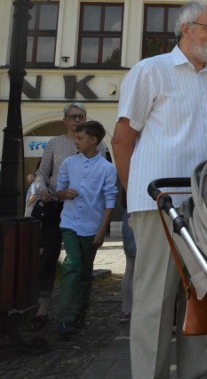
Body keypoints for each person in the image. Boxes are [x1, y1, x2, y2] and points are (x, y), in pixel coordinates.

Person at [112, 0, 207, 379]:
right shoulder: (151, 71)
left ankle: (195, 375)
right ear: (185, 29)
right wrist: (136, 198)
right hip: (158, 207)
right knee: (154, 303)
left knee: (200, 297)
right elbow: (122, 140)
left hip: (204, 210)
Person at [31, 102, 106, 327]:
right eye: (72, 117)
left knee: (79, 260)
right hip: (55, 205)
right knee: (50, 255)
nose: (77, 120)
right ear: (65, 120)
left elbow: (103, 177)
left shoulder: (98, 147)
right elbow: (42, 173)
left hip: (83, 209)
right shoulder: (55, 143)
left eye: (80, 116)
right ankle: (43, 308)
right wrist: (42, 188)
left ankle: (76, 308)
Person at [54, 120, 118, 336]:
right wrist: (63, 194)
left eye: (80, 138)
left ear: (93, 140)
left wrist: (102, 231)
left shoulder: (107, 168)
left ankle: (79, 312)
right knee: (72, 266)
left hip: (92, 226)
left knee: (84, 271)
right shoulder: (68, 164)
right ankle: (66, 317)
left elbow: (110, 200)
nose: (76, 142)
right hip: (70, 223)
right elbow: (58, 191)